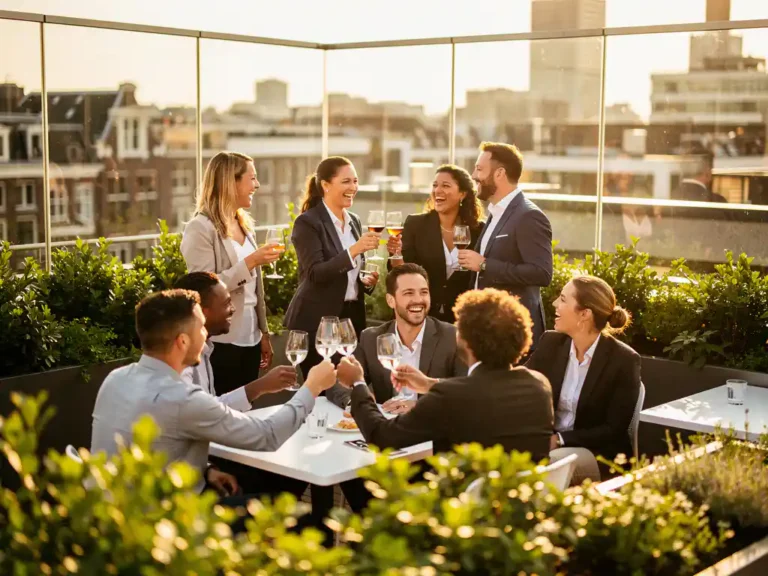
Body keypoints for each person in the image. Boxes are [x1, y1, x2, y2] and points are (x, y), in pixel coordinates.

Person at [91, 289, 337, 501]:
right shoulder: (182, 398)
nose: (206, 334)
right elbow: (267, 435)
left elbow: (156, 449)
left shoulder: (115, 379)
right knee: (298, 515)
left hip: (118, 516)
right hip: (171, 526)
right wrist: (312, 387)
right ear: (182, 341)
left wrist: (205, 470)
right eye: (201, 328)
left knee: (277, 483)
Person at [336, 288, 554, 462]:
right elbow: (479, 393)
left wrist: (357, 382)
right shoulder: (539, 385)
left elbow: (382, 437)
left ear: (466, 341)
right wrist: (430, 384)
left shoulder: (451, 396)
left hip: (459, 506)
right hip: (524, 505)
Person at [173, 271, 308, 499]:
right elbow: (261, 434)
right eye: (227, 303)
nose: (233, 309)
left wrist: (207, 470)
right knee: (291, 477)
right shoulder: (182, 365)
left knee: (293, 472)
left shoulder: (205, 351)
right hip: (190, 498)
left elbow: (210, 407)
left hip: (203, 470)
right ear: (202, 313)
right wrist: (311, 389)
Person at [181, 151, 280, 394]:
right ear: (230, 182)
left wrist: (263, 333)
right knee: (224, 412)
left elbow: (255, 291)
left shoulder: (244, 224)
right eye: (252, 178)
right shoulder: (200, 228)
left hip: (251, 338)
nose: (257, 185)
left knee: (247, 408)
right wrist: (250, 262)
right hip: (222, 341)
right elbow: (201, 290)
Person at [525, 275, 641, 483]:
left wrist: (560, 439)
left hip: (597, 453)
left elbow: (613, 429)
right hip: (548, 444)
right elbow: (522, 386)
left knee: (545, 465)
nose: (555, 304)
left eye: (562, 299)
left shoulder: (624, 360)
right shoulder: (551, 342)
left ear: (585, 314)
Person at [284, 156, 380, 378]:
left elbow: (348, 273)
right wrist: (354, 250)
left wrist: (365, 282)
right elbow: (315, 273)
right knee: (323, 390)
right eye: (346, 181)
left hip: (350, 319)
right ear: (325, 185)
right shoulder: (307, 223)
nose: (353, 188)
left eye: (355, 181)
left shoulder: (354, 220)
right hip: (317, 321)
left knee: (349, 385)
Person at [326, 263, 466, 413]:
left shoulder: (453, 336)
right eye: (409, 293)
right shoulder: (371, 338)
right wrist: (356, 403)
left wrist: (422, 407)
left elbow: (468, 389)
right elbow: (338, 383)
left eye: (424, 292)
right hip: (387, 427)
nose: (418, 299)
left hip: (434, 429)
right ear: (390, 300)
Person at [459, 142, 553, 349]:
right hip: (486, 330)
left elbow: (541, 273)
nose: (474, 175)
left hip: (511, 335)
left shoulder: (529, 216)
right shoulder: (495, 213)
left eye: (479, 169)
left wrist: (484, 264)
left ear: (499, 173)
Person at [386, 165, 484, 323]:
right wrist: (396, 253)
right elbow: (400, 273)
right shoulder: (416, 224)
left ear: (463, 194)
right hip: (420, 316)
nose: (437, 190)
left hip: (462, 320)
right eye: (434, 185)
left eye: (445, 186)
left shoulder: (479, 230)